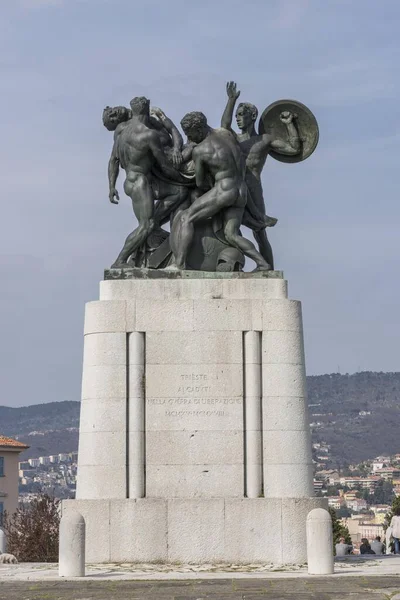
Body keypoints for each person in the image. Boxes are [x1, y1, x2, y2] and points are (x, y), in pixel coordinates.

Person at [170, 110, 272, 271]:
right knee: (231, 234)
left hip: (223, 190)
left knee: (186, 218)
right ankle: (262, 263)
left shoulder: (200, 150)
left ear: (198, 129)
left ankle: (179, 264)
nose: (190, 138)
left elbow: (200, 182)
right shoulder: (227, 134)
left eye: (190, 134)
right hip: (241, 191)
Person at [221, 82, 301, 269]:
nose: (238, 120)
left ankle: (268, 269)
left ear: (253, 116)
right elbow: (224, 126)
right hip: (234, 187)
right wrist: (231, 100)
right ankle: (235, 264)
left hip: (253, 186)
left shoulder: (265, 139)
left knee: (260, 232)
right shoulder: (233, 137)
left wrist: (289, 125)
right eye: (237, 116)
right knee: (230, 228)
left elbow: (294, 148)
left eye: (241, 115)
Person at [106, 96, 185, 268]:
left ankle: (154, 226)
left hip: (136, 181)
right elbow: (164, 166)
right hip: (139, 182)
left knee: (178, 192)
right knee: (146, 225)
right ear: (148, 109)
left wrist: (112, 186)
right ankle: (120, 261)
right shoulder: (148, 135)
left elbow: (113, 160)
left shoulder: (121, 129)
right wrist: (184, 179)